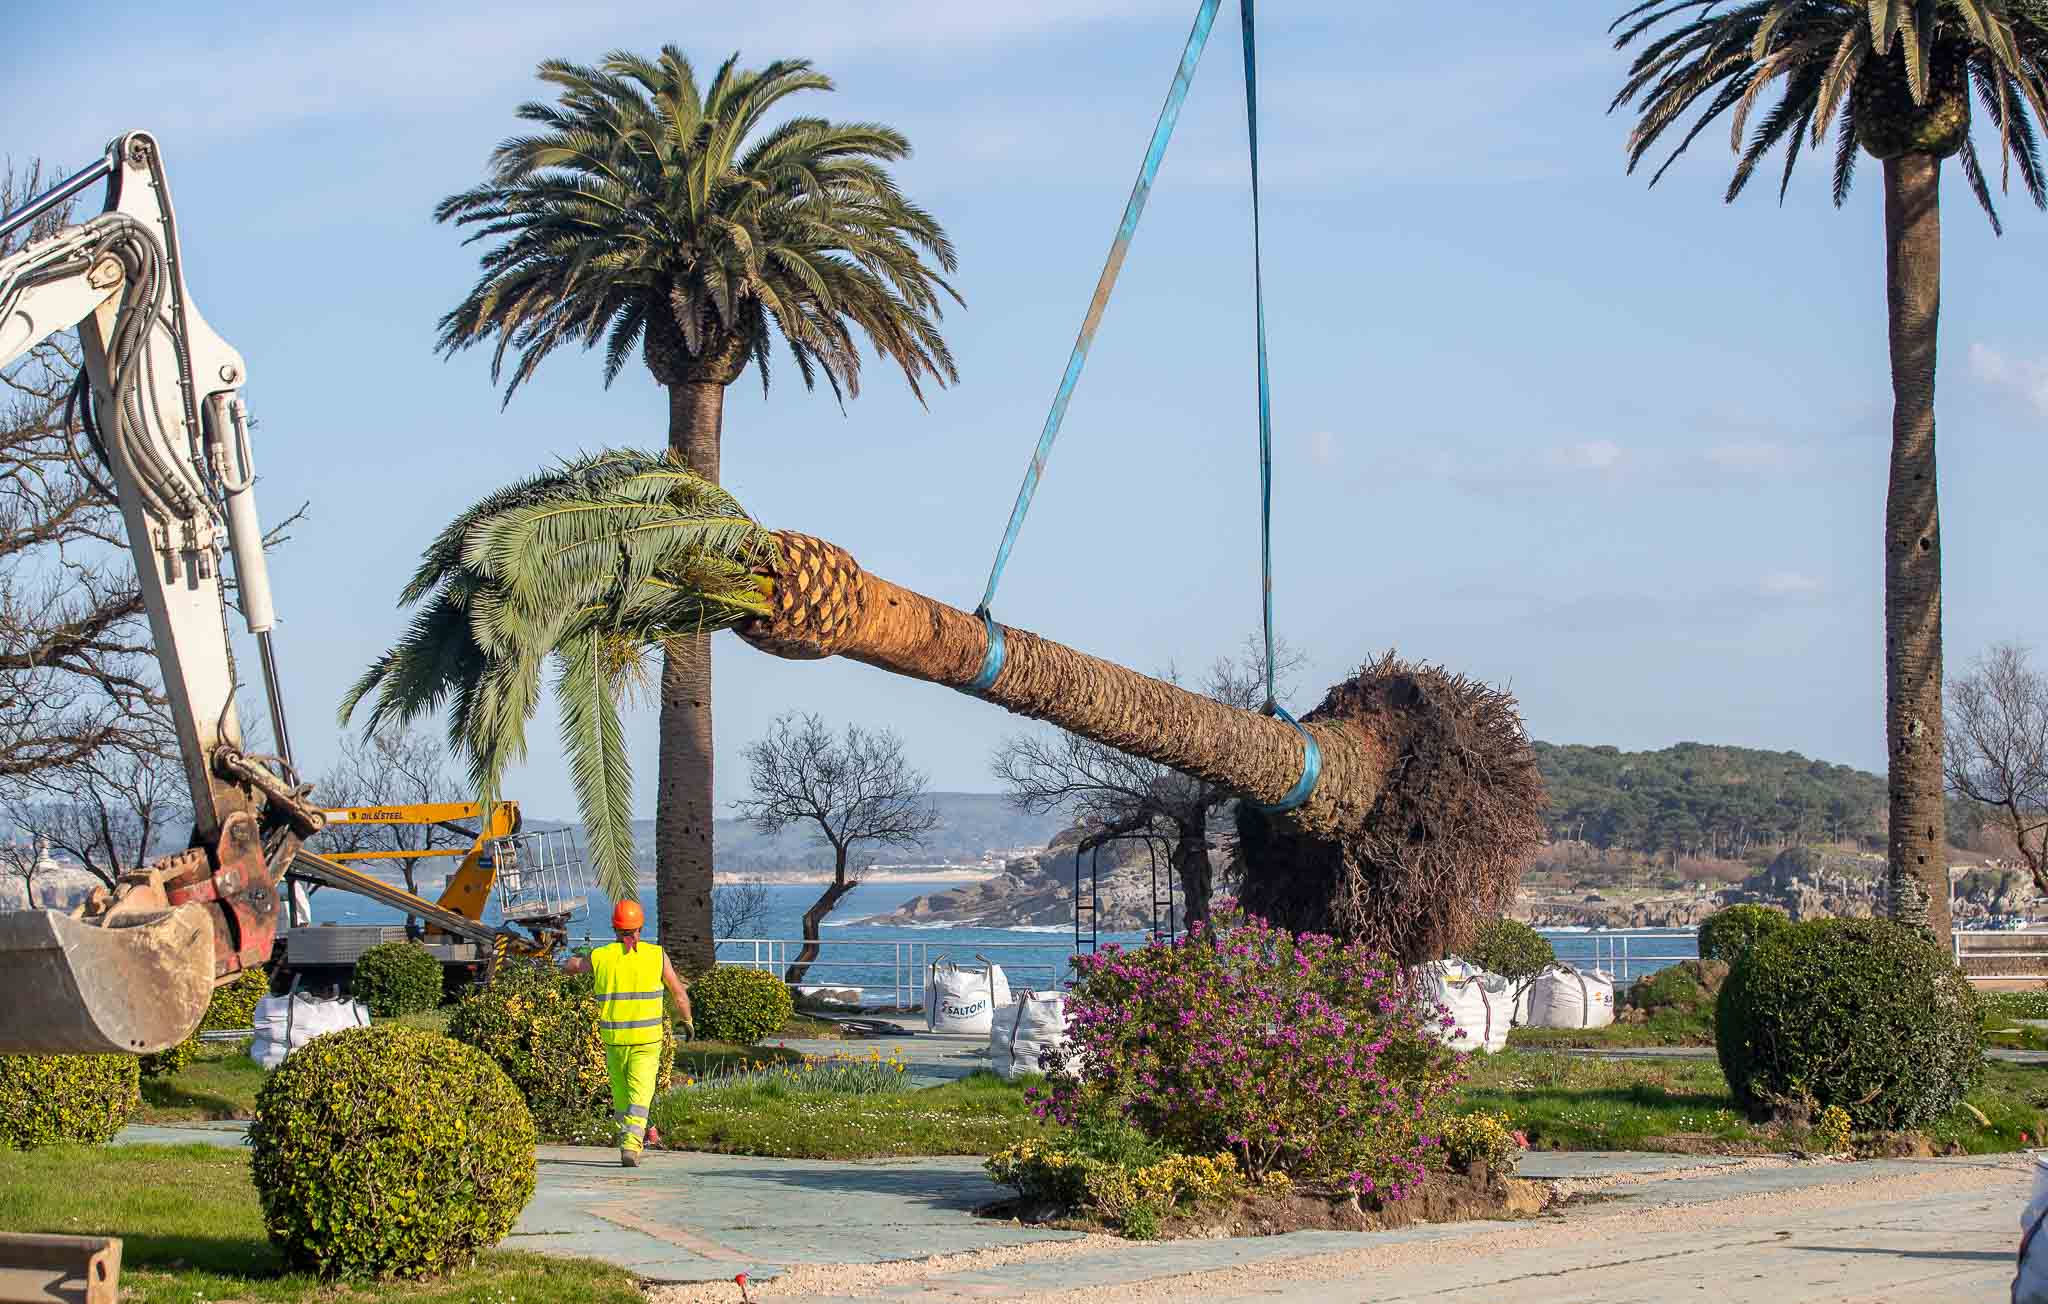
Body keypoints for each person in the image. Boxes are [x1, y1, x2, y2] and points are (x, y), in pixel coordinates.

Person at [562, 899, 693, 1166]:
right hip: (647, 1041)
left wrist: (564, 962)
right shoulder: (657, 955)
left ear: (614, 928)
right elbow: (679, 993)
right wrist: (688, 1021)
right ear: (640, 928)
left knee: (622, 1094)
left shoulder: (601, 956)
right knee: (640, 1093)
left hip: (614, 1041)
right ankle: (632, 1145)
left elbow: (574, 966)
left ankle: (629, 1138)